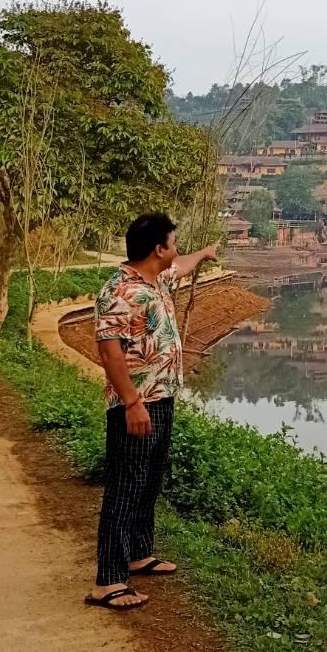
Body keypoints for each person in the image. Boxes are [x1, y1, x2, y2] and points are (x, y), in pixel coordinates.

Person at [84, 213, 218, 610]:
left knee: (148, 480)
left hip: (160, 399)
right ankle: (108, 581)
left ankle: (138, 553)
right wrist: (132, 403)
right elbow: (109, 351)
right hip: (137, 404)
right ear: (158, 248)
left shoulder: (155, 280)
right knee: (125, 486)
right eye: (173, 242)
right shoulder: (121, 292)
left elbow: (181, 265)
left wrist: (206, 253)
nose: (176, 249)